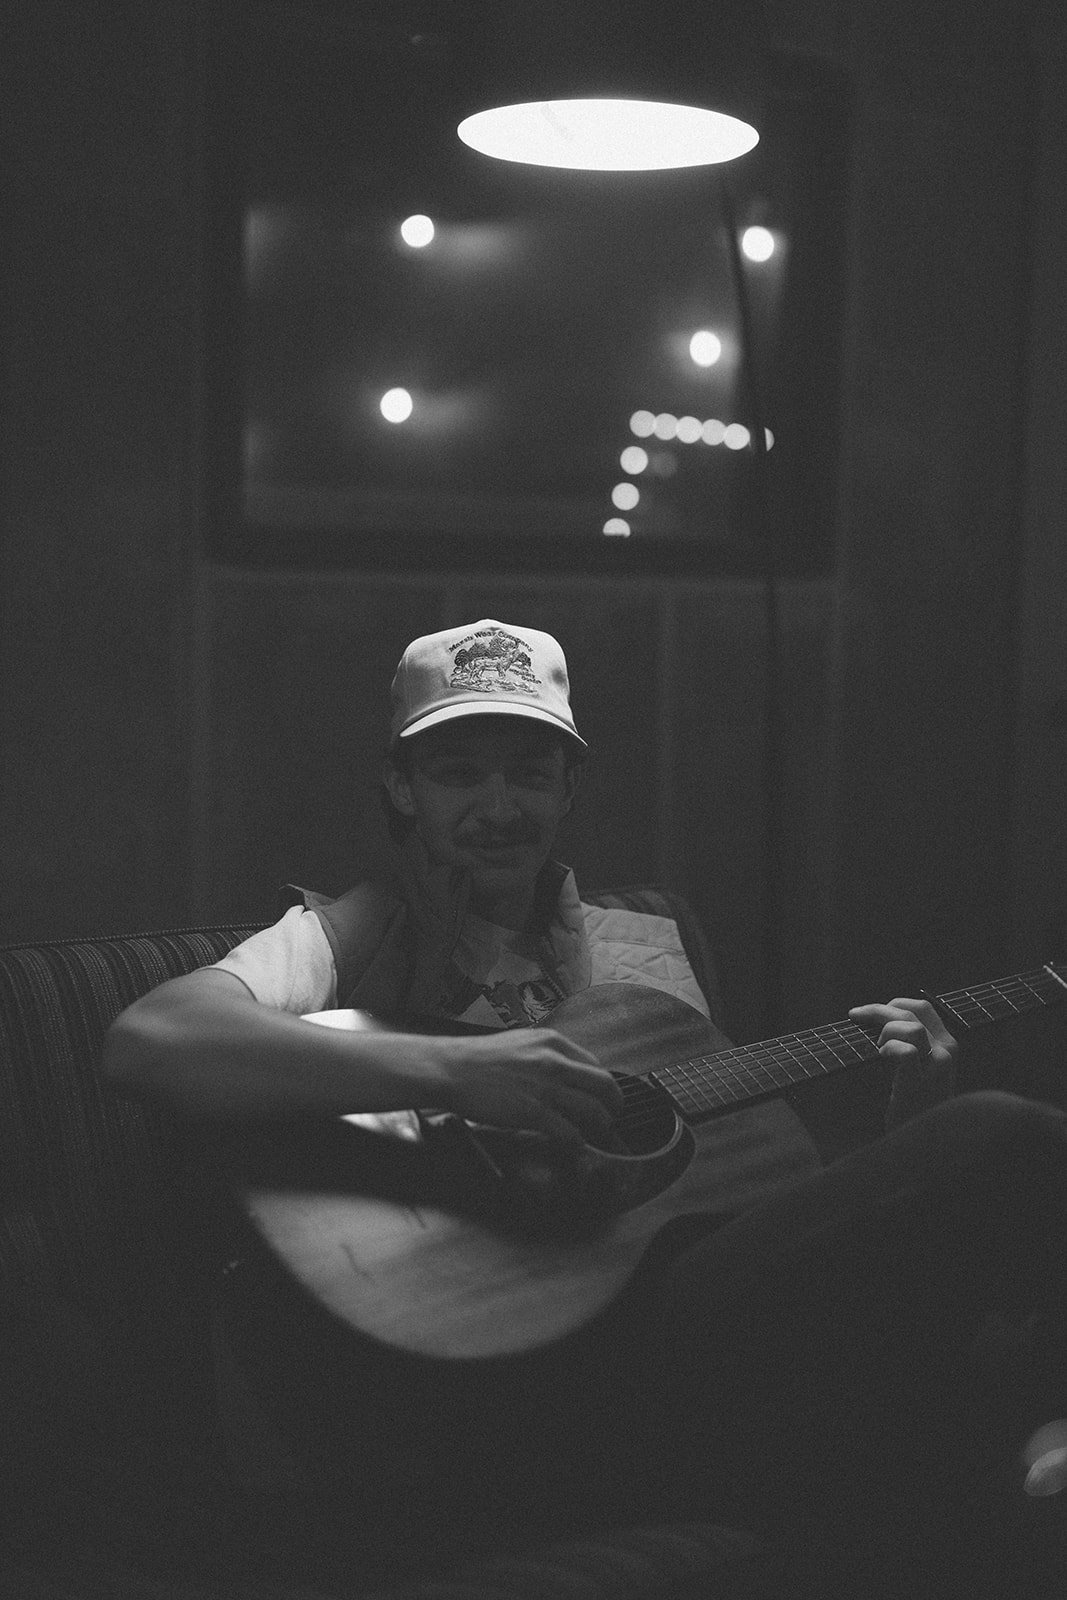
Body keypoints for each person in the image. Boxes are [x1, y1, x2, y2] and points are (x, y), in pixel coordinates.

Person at [104, 619, 1067, 1599]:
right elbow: (153, 1038)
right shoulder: (344, 932)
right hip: (507, 1392)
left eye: (529, 774)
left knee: (944, 1297)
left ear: (568, 787)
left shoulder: (637, 950)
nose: (498, 806)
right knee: (1000, 1132)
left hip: (686, 1350)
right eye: (457, 774)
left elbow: (732, 1205)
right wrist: (450, 1070)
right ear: (400, 787)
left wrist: (905, 1131)